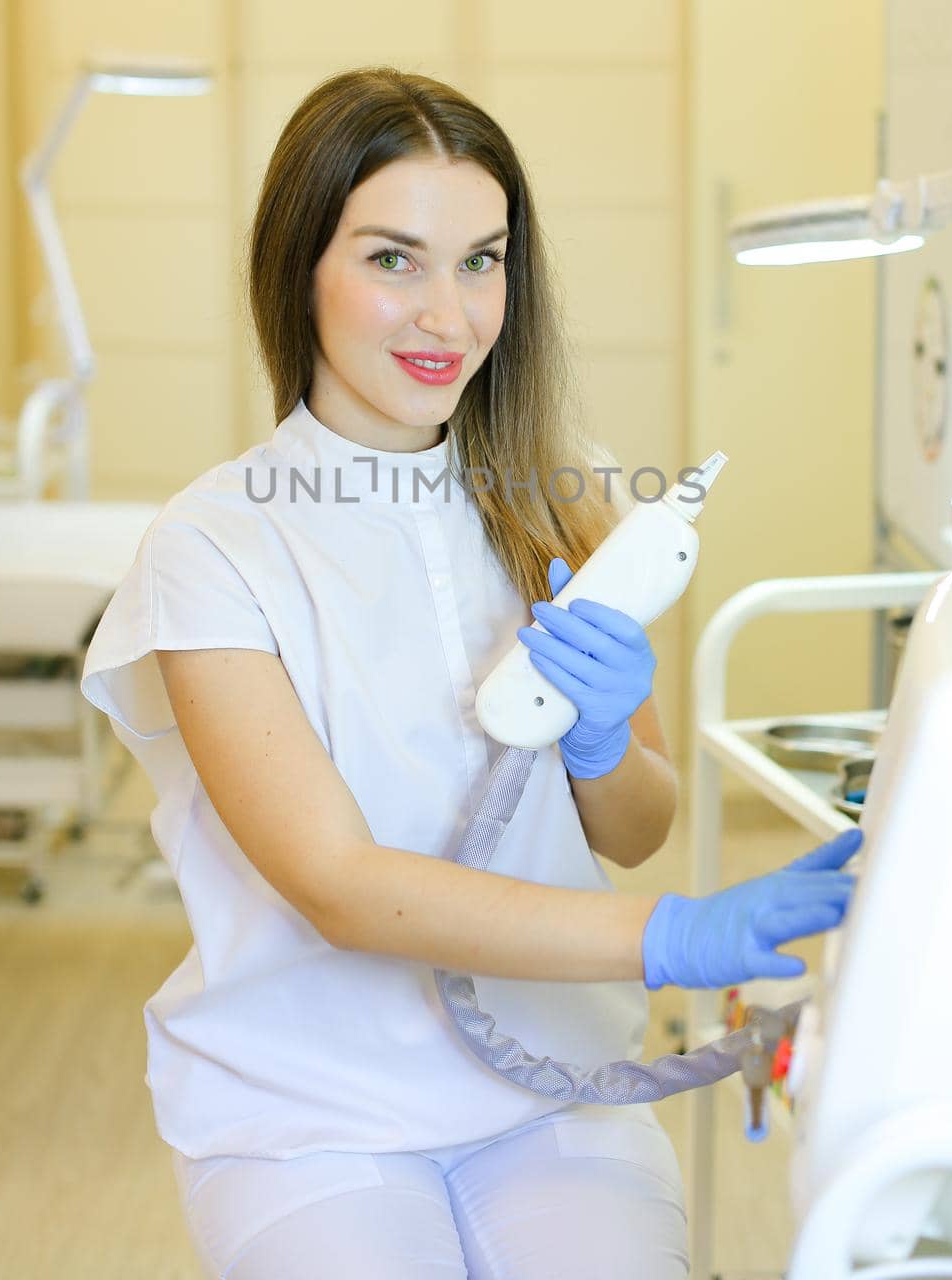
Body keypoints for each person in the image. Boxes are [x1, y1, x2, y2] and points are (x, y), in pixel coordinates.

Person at [81, 67, 860, 1279]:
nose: (448, 316)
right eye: (393, 259)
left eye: (481, 261)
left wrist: (604, 744)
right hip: (304, 1113)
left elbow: (639, 823)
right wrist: (670, 936)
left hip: (552, 1089)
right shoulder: (213, 544)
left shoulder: (562, 491)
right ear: (301, 268)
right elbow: (338, 885)